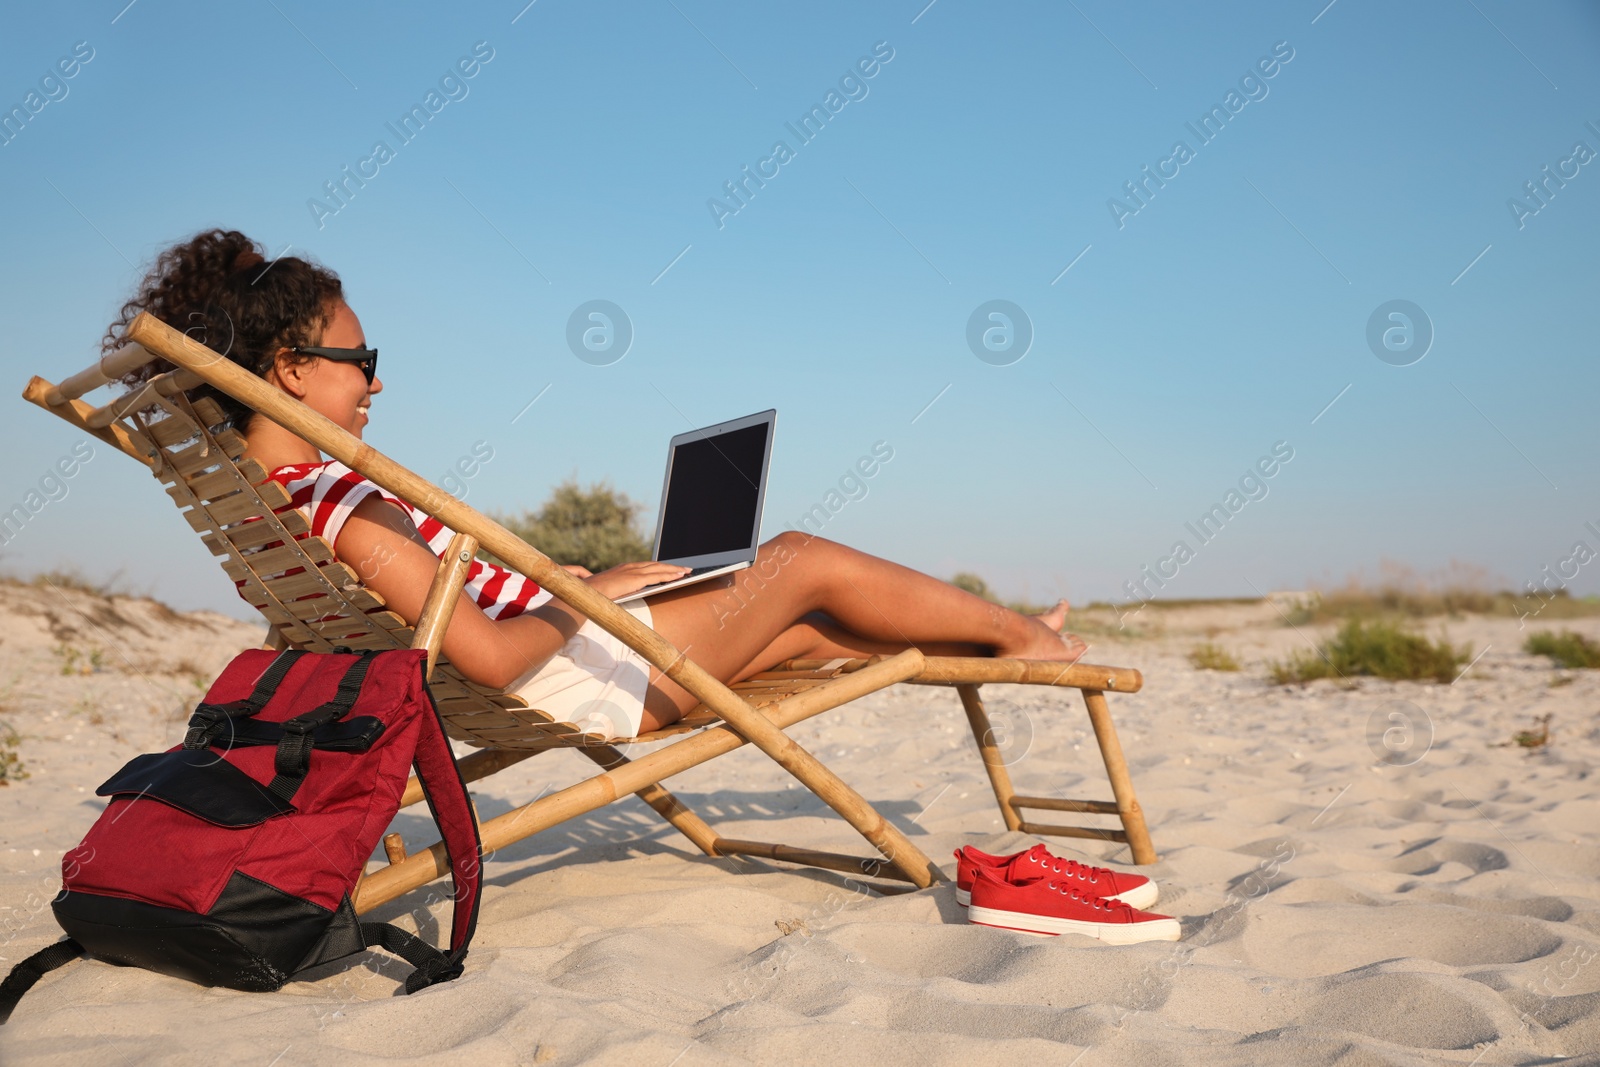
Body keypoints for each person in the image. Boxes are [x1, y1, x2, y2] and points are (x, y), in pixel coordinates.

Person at [108, 230, 1087, 739]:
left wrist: (589, 582)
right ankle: (1026, 638)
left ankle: (993, 641)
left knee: (816, 627)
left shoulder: (278, 496)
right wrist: (586, 599)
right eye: (361, 355)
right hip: (587, 680)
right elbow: (489, 659)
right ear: (289, 366)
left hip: (586, 655)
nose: (375, 379)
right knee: (799, 556)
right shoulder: (348, 501)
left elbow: (448, 623)